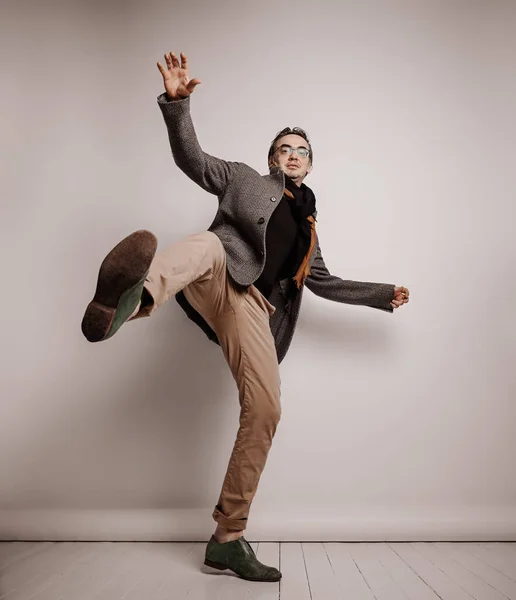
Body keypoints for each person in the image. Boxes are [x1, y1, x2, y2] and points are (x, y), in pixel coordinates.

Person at [81, 50, 410, 583]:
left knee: (266, 410)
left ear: (311, 162)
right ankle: (130, 300)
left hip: (253, 311)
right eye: (285, 148)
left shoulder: (309, 229)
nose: (294, 155)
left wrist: (380, 294)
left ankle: (227, 540)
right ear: (272, 157)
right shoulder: (242, 179)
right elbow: (193, 159)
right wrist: (177, 104)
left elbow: (323, 281)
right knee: (206, 245)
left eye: (302, 150)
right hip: (216, 273)